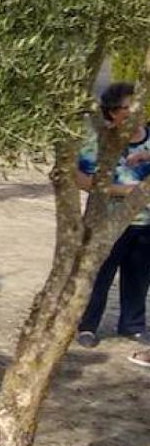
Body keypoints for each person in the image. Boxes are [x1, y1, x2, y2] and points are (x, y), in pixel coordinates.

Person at [77, 82, 150, 348]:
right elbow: (82, 179)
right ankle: (87, 325)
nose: (132, 113)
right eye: (125, 108)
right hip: (107, 221)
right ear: (111, 112)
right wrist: (122, 190)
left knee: (139, 276)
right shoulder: (99, 140)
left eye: (136, 107)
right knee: (99, 275)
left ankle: (133, 325)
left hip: (145, 223)